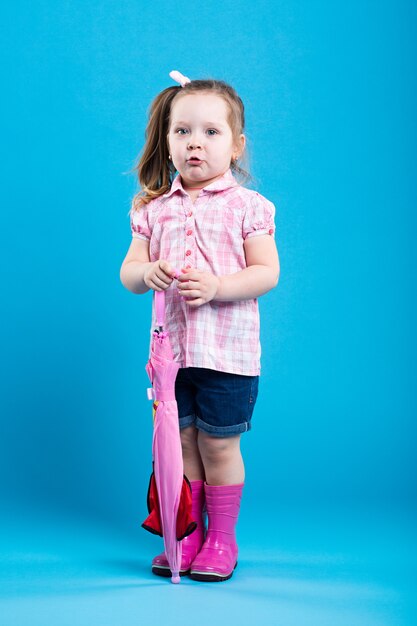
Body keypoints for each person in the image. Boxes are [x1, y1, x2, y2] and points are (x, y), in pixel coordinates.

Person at [120, 70, 280, 582]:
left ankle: (222, 539)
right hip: (172, 359)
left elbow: (266, 273)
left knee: (218, 446)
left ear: (236, 146)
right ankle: (186, 534)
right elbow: (129, 273)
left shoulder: (249, 207)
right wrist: (147, 273)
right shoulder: (152, 211)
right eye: (182, 131)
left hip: (228, 356)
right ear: (166, 141)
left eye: (211, 132)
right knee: (181, 445)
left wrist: (217, 286)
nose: (195, 143)